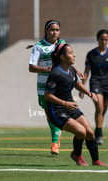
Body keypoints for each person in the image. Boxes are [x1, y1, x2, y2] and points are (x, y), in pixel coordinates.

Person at [44, 43, 108, 166]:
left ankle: (96, 160)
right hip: (57, 111)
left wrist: (88, 93)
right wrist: (65, 103)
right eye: (71, 53)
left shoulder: (71, 70)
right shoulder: (55, 73)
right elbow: (48, 95)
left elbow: (76, 83)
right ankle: (76, 155)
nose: (74, 55)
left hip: (70, 107)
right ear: (62, 57)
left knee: (89, 132)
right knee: (81, 132)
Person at [28, 20, 66, 155]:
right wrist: (46, 69)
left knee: (57, 112)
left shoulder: (62, 45)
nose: (54, 32)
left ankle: (55, 141)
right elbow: (31, 67)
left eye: (57, 30)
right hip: (43, 86)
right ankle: (56, 134)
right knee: (50, 114)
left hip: (60, 85)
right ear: (46, 31)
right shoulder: (38, 47)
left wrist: (75, 71)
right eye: (51, 30)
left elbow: (68, 60)